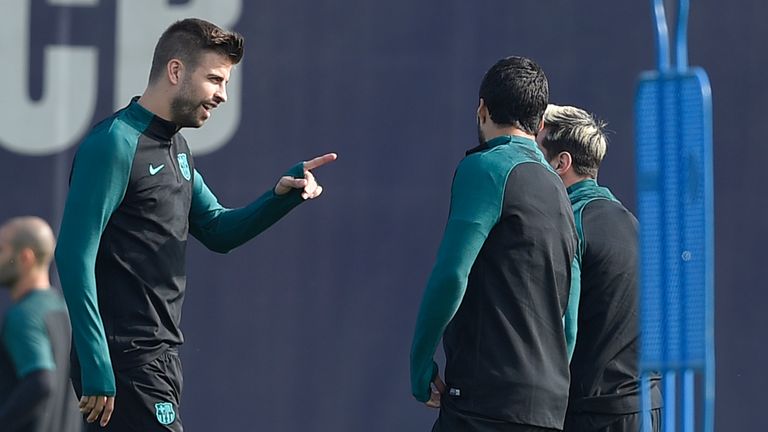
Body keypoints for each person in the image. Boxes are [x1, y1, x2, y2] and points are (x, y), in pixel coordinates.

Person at [55, 18, 336, 431]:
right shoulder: (115, 144)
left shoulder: (177, 148)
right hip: (125, 361)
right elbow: (73, 255)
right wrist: (98, 364)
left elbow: (220, 230)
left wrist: (282, 195)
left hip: (159, 358)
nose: (223, 94)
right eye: (215, 79)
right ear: (175, 71)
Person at [410, 56, 577, 432]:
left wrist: (420, 366)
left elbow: (452, 275)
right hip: (547, 409)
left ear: (482, 109)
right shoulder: (560, 191)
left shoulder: (486, 168)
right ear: (540, 124)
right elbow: (570, 318)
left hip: (484, 406)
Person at [536, 104, 663, 431]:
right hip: (650, 410)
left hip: (597, 416)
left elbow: (565, 330)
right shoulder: (633, 224)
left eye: (535, 152)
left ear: (561, 163)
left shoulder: (569, 224)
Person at [0, 217, 81, 432]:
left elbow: (42, 382)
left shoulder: (23, 316)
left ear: (25, 257)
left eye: (1, 250)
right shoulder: (68, 312)